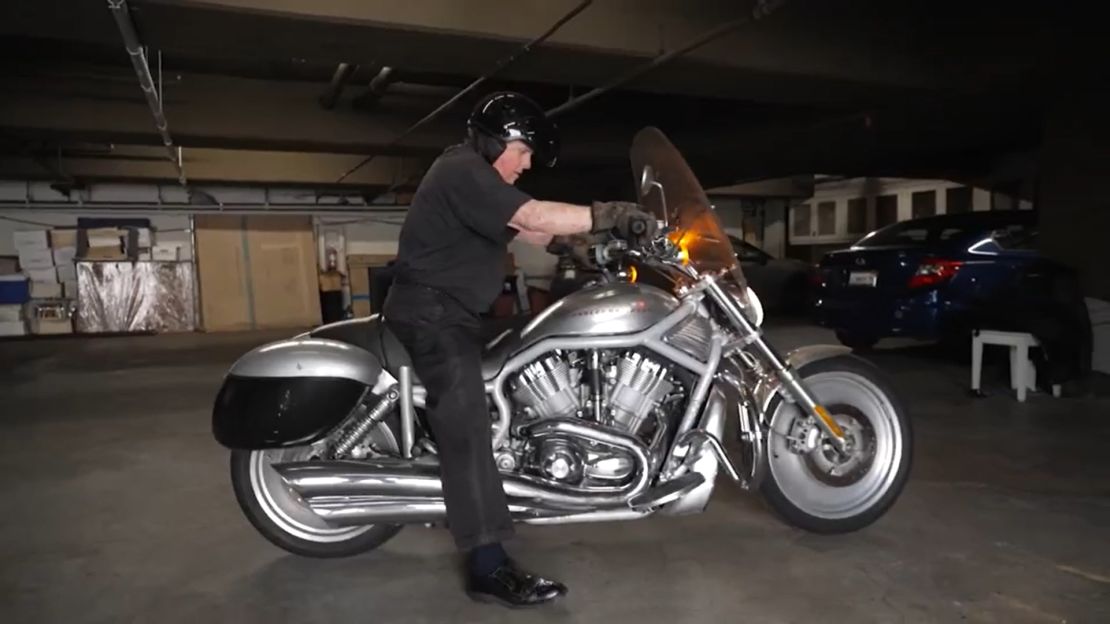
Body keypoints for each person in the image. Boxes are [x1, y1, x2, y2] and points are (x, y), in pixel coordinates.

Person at [382, 91, 656, 608]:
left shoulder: (476, 181)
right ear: (496, 140)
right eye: (525, 152)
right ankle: (487, 565)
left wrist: (575, 246)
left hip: (457, 312)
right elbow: (533, 212)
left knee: (541, 348)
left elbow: (526, 226)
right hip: (431, 313)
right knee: (463, 412)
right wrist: (611, 215)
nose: (527, 164)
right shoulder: (461, 169)